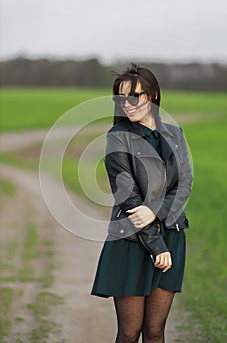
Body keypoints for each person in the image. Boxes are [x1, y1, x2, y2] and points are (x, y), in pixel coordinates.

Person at [91, 63, 193, 343]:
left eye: (135, 95)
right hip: (131, 240)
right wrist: (156, 245)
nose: (128, 103)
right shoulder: (117, 137)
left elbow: (185, 183)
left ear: (154, 95)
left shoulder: (175, 134)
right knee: (129, 332)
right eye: (121, 97)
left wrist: (155, 211)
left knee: (155, 331)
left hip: (171, 235)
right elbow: (127, 197)